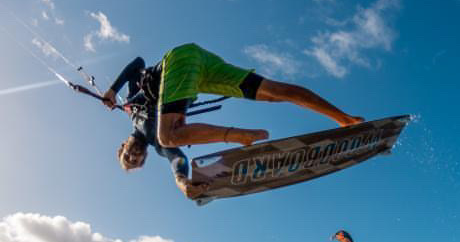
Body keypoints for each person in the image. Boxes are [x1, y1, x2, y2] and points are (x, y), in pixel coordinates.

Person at [103, 43, 363, 198]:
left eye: (127, 157)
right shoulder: (156, 143)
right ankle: (346, 119)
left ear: (122, 147)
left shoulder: (131, 106)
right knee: (275, 93)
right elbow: (177, 160)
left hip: (176, 64)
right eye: (137, 161)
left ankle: (241, 136)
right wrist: (182, 183)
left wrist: (113, 91)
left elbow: (138, 63)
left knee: (169, 134)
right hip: (201, 67)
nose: (134, 156)